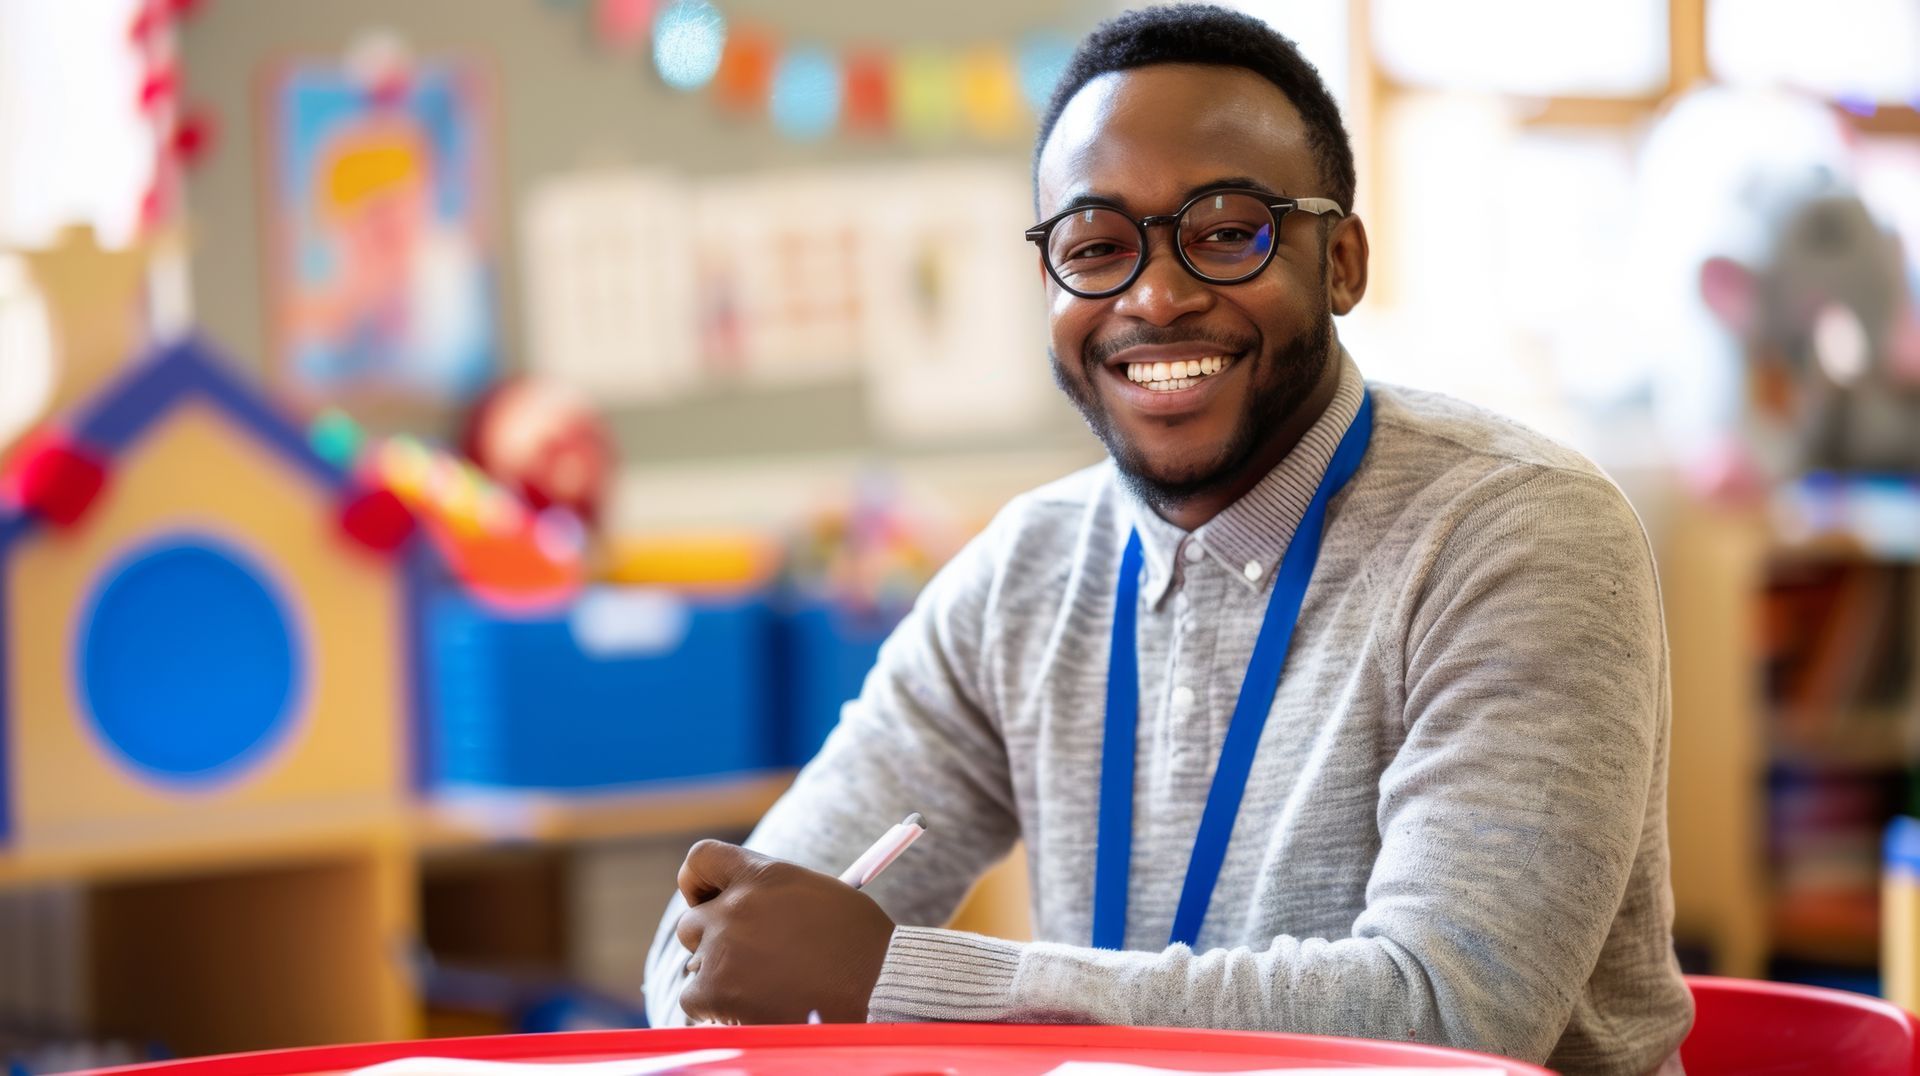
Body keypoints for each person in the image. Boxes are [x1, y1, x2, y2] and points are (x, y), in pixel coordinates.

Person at [644, 6, 1693, 1072]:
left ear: (1341, 261)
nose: (1156, 294)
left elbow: (1454, 1014)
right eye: (1096, 245)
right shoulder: (1026, 575)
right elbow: (704, 954)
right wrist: (731, 957)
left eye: (1227, 230)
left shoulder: (1520, 533)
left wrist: (898, 978)